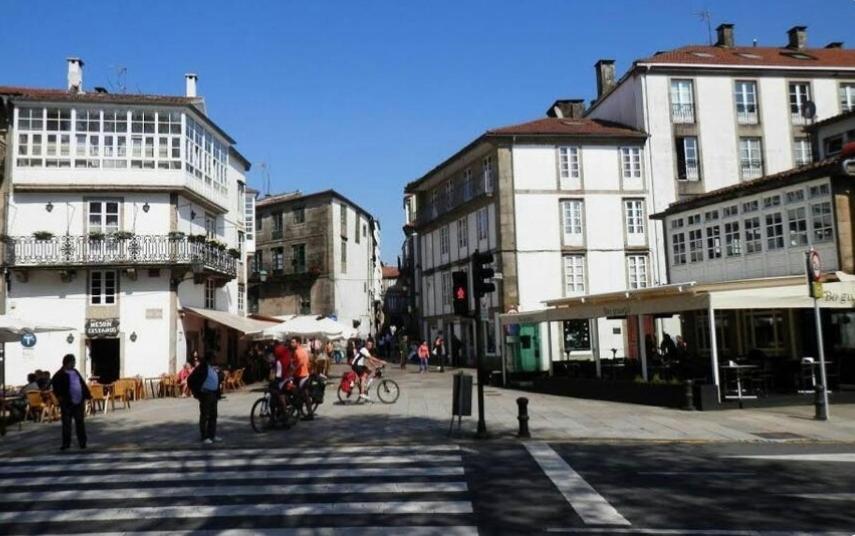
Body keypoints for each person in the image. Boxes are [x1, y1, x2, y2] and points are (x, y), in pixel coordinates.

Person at [51, 354, 91, 451]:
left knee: (80, 423)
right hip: (67, 402)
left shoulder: (75, 371)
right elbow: (55, 386)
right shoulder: (60, 374)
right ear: (67, 363)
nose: (74, 363)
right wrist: (60, 398)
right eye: (73, 362)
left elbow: (82, 383)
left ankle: (82, 442)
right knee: (66, 424)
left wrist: (87, 394)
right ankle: (66, 443)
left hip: (78, 402)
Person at [188, 352, 221, 445]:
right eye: (214, 358)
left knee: (213, 415)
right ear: (209, 359)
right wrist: (197, 392)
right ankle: (204, 436)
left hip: (213, 394)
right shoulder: (202, 367)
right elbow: (190, 379)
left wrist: (219, 373)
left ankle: (212, 435)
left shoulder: (212, 367)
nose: (215, 360)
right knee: (205, 415)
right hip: (205, 394)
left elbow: (218, 378)